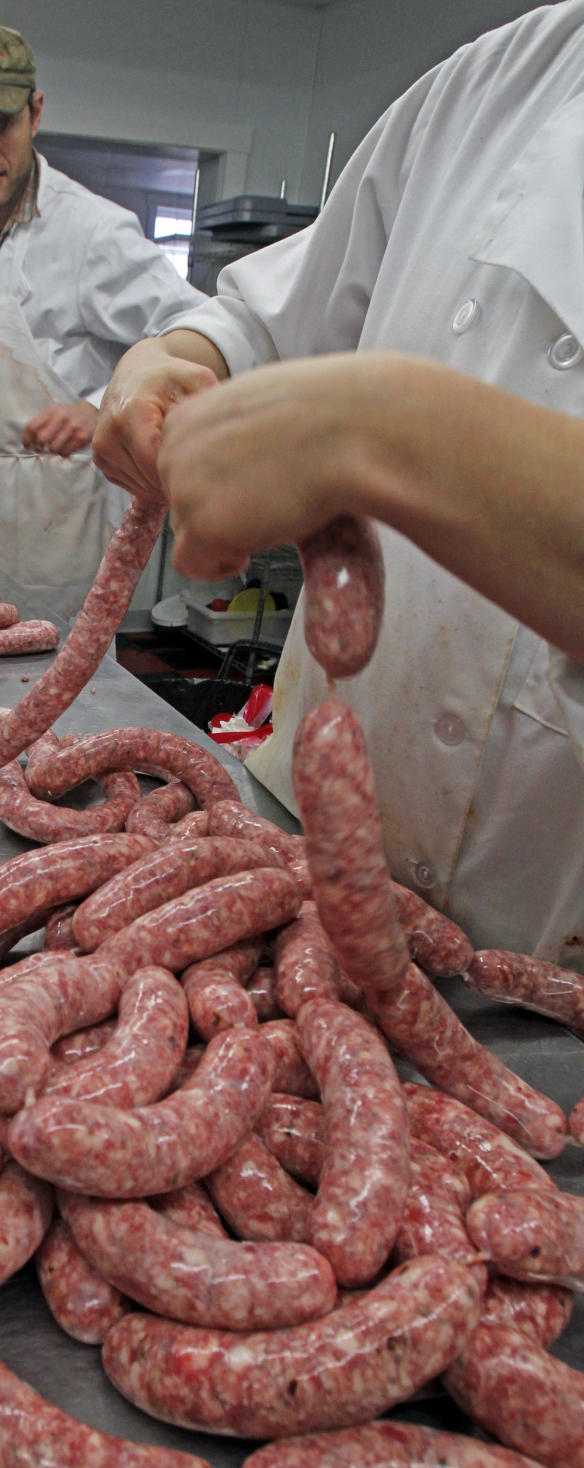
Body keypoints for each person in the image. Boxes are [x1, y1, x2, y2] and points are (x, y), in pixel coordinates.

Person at [93, 0, 584, 969]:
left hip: (549, 991)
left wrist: (385, 428)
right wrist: (164, 362)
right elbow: (270, 323)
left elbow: (354, 410)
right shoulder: (502, 78)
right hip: (283, 878)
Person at [0, 20, 204, 613]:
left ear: (35, 112)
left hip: (64, 515)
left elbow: (195, 329)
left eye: (3, 126)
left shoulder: (92, 230)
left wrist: (102, 407)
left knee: (65, 686)